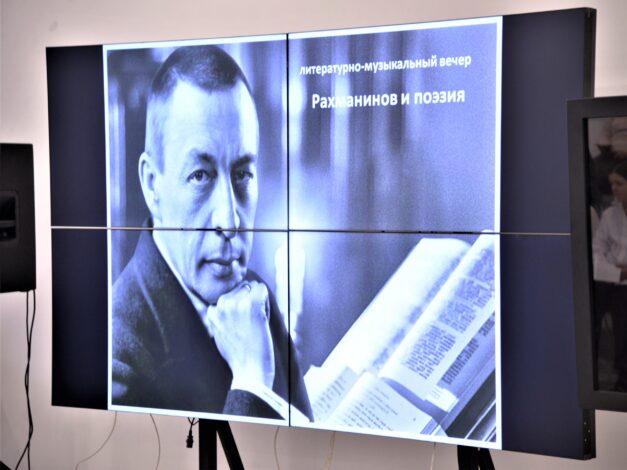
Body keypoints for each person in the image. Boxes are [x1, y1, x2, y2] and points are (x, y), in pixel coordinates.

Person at [111, 45, 311, 420]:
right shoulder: (118, 358)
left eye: (242, 174)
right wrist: (250, 382)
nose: (230, 219)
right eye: (200, 176)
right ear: (152, 185)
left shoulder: (257, 300)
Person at [593, 160, 627, 390]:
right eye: (612, 183)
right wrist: (616, 270)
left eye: (620, 183)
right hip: (613, 280)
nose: (614, 188)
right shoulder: (609, 215)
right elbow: (597, 250)